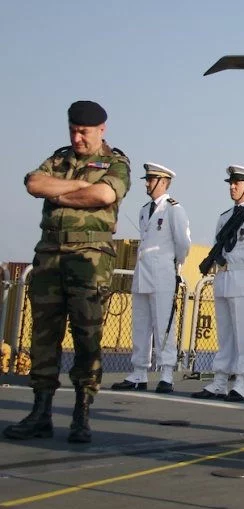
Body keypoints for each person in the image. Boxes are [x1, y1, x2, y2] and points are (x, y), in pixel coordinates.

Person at [4, 100, 130, 443]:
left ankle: (81, 413)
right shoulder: (58, 158)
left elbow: (103, 194)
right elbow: (33, 183)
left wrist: (60, 190)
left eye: (84, 132)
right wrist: (78, 187)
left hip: (88, 259)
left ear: (101, 130)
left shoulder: (116, 162)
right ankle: (40, 412)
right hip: (49, 255)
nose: (77, 137)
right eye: (73, 130)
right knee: (43, 335)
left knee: (87, 337)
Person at [191, 166, 244, 402]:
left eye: (236, 184)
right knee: (225, 333)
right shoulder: (225, 217)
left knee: (243, 334)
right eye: (231, 183)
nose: (232, 187)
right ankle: (219, 380)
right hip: (223, 277)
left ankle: (241, 381)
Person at [112, 163, 191, 394]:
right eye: (147, 179)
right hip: (143, 273)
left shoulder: (174, 209)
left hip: (163, 273)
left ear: (163, 182)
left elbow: (183, 244)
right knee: (141, 324)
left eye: (151, 179)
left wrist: (173, 264)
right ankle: (139, 372)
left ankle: (166, 373)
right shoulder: (145, 209)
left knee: (163, 324)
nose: (147, 183)